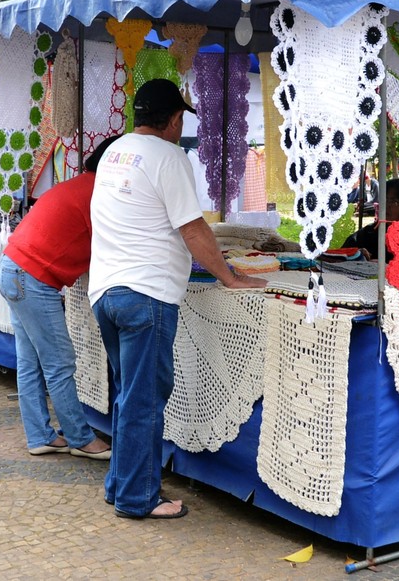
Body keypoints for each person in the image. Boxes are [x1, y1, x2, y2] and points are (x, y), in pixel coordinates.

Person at [89, 78, 267, 520]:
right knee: (143, 401)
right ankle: (138, 498)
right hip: (145, 294)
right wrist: (228, 276)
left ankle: (120, 486)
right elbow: (192, 228)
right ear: (172, 120)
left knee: (129, 396)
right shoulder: (168, 156)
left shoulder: (114, 151)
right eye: (179, 118)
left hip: (106, 291)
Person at [0, 136, 120, 459]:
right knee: (59, 362)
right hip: (31, 277)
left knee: (30, 361)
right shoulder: (101, 195)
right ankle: (81, 439)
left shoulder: (79, 185)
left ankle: (40, 435)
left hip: (11, 267)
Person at [342, 177, 399, 260]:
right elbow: (339, 256)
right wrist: (355, 254)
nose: (386, 206)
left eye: (394, 202)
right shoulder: (368, 234)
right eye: (384, 200)